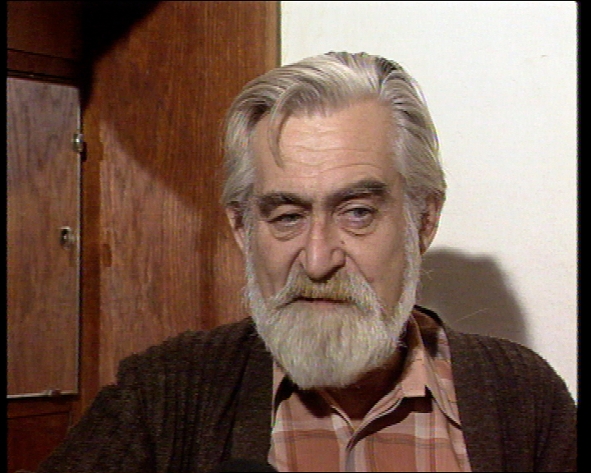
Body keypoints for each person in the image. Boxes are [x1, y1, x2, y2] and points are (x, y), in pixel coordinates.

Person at [37, 52, 576, 472]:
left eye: (357, 213)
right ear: (242, 229)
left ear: (423, 221)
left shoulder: (524, 401)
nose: (318, 261)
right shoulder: (164, 395)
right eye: (287, 216)